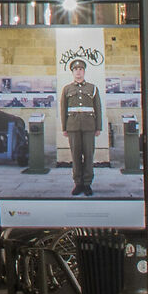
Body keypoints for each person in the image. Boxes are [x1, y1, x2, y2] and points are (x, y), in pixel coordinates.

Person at [60, 57, 105, 197]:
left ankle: (87, 184)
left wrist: (98, 127)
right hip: (73, 127)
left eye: (80, 69)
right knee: (76, 155)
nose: (78, 72)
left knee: (89, 156)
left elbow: (98, 108)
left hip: (89, 127)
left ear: (84, 71)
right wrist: (64, 128)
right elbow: (63, 109)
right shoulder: (67, 89)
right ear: (72, 72)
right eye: (75, 70)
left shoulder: (92, 88)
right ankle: (78, 183)